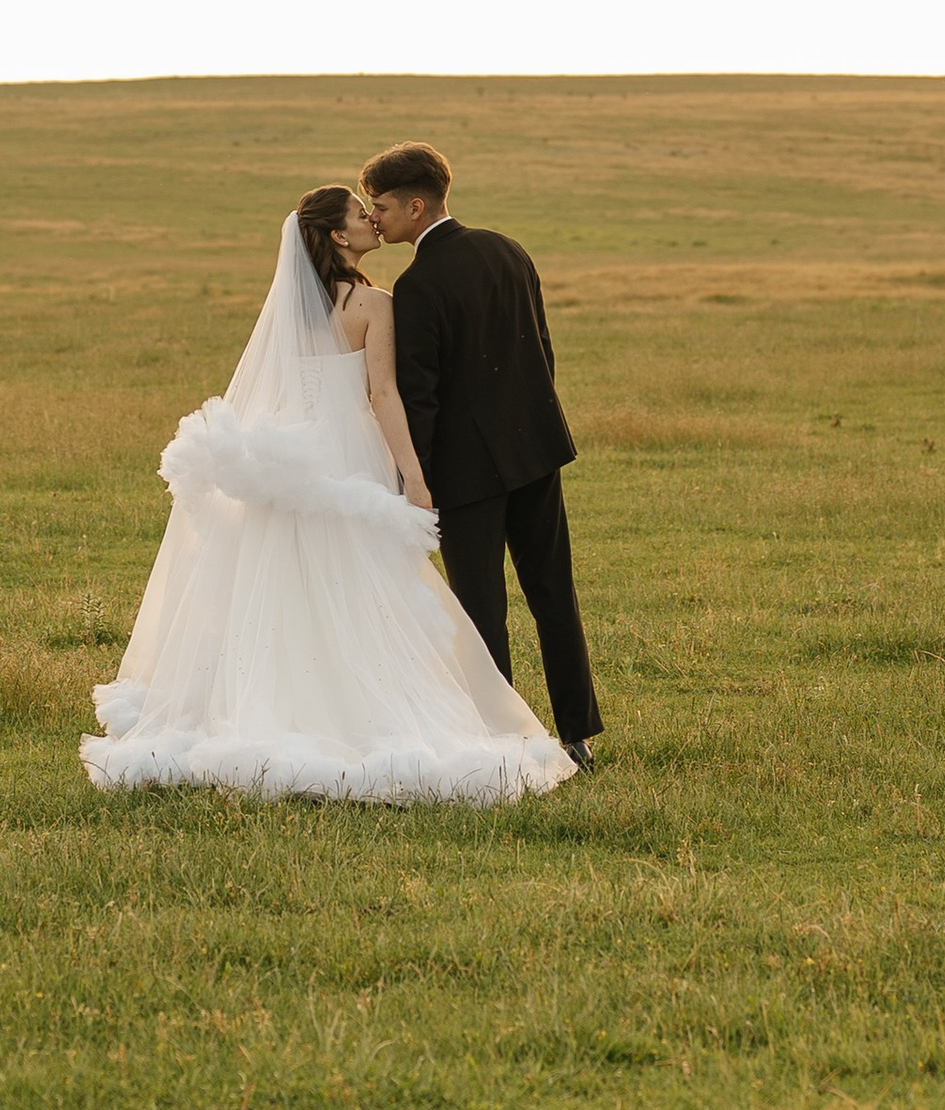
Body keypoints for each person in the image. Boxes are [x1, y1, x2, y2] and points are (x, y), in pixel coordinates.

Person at [81, 185, 573, 804]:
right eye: (359, 216)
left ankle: (275, 715)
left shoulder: (292, 309)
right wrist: (415, 478)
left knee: (285, 588)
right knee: (364, 585)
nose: (372, 221)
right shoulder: (373, 303)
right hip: (350, 459)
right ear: (338, 236)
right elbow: (385, 396)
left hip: (298, 460)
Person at [363, 143, 601, 771]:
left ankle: (501, 743)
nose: (374, 217)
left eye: (382, 207)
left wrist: (414, 478)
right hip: (536, 454)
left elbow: (421, 395)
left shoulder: (417, 284)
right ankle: (576, 733)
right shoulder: (508, 249)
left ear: (417, 207)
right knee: (554, 594)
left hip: (466, 476)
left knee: (480, 610)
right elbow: (541, 352)